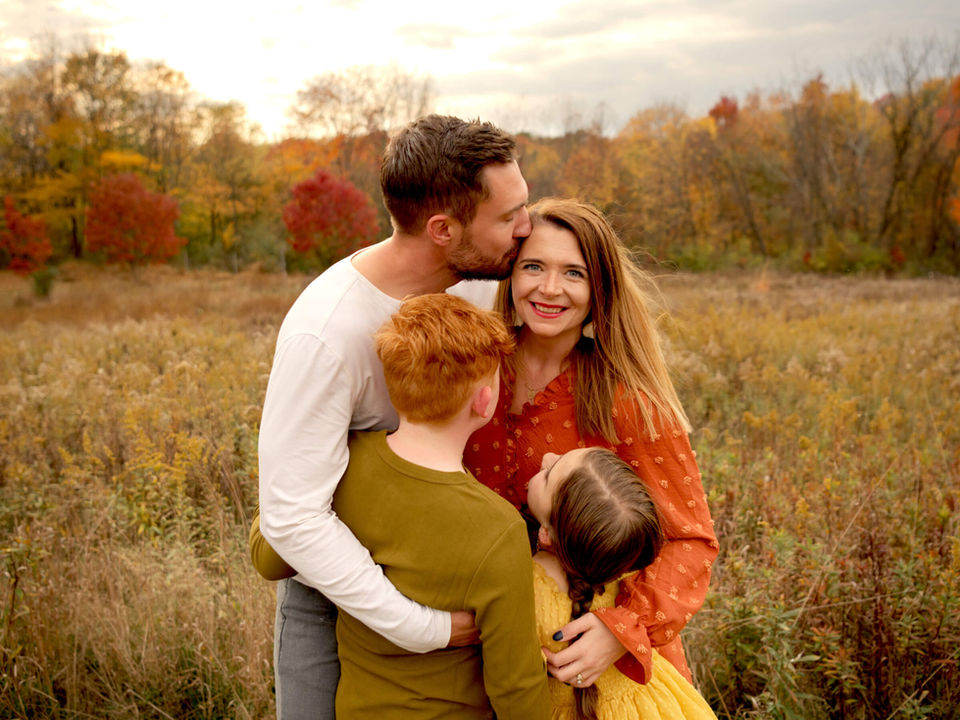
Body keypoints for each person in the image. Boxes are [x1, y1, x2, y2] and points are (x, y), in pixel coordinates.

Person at [254, 114, 531, 719]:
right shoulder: (325, 334)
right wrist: (422, 627)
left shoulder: (481, 282)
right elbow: (291, 519)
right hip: (336, 599)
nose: (525, 229)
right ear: (442, 228)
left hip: (455, 577)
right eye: (509, 218)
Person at [463, 197, 719, 688]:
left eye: (574, 273)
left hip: (600, 666)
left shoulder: (626, 399)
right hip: (492, 657)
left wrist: (620, 631)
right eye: (533, 266)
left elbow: (690, 540)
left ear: (599, 287)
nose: (550, 288)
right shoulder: (472, 371)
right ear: (510, 275)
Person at [331, 293, 549, 718]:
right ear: (484, 401)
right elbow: (517, 688)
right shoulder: (497, 528)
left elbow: (274, 548)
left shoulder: (344, 462)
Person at [526, 447, 718, 720]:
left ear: (546, 534)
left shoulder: (531, 584)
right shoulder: (623, 568)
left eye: (547, 476)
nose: (546, 456)